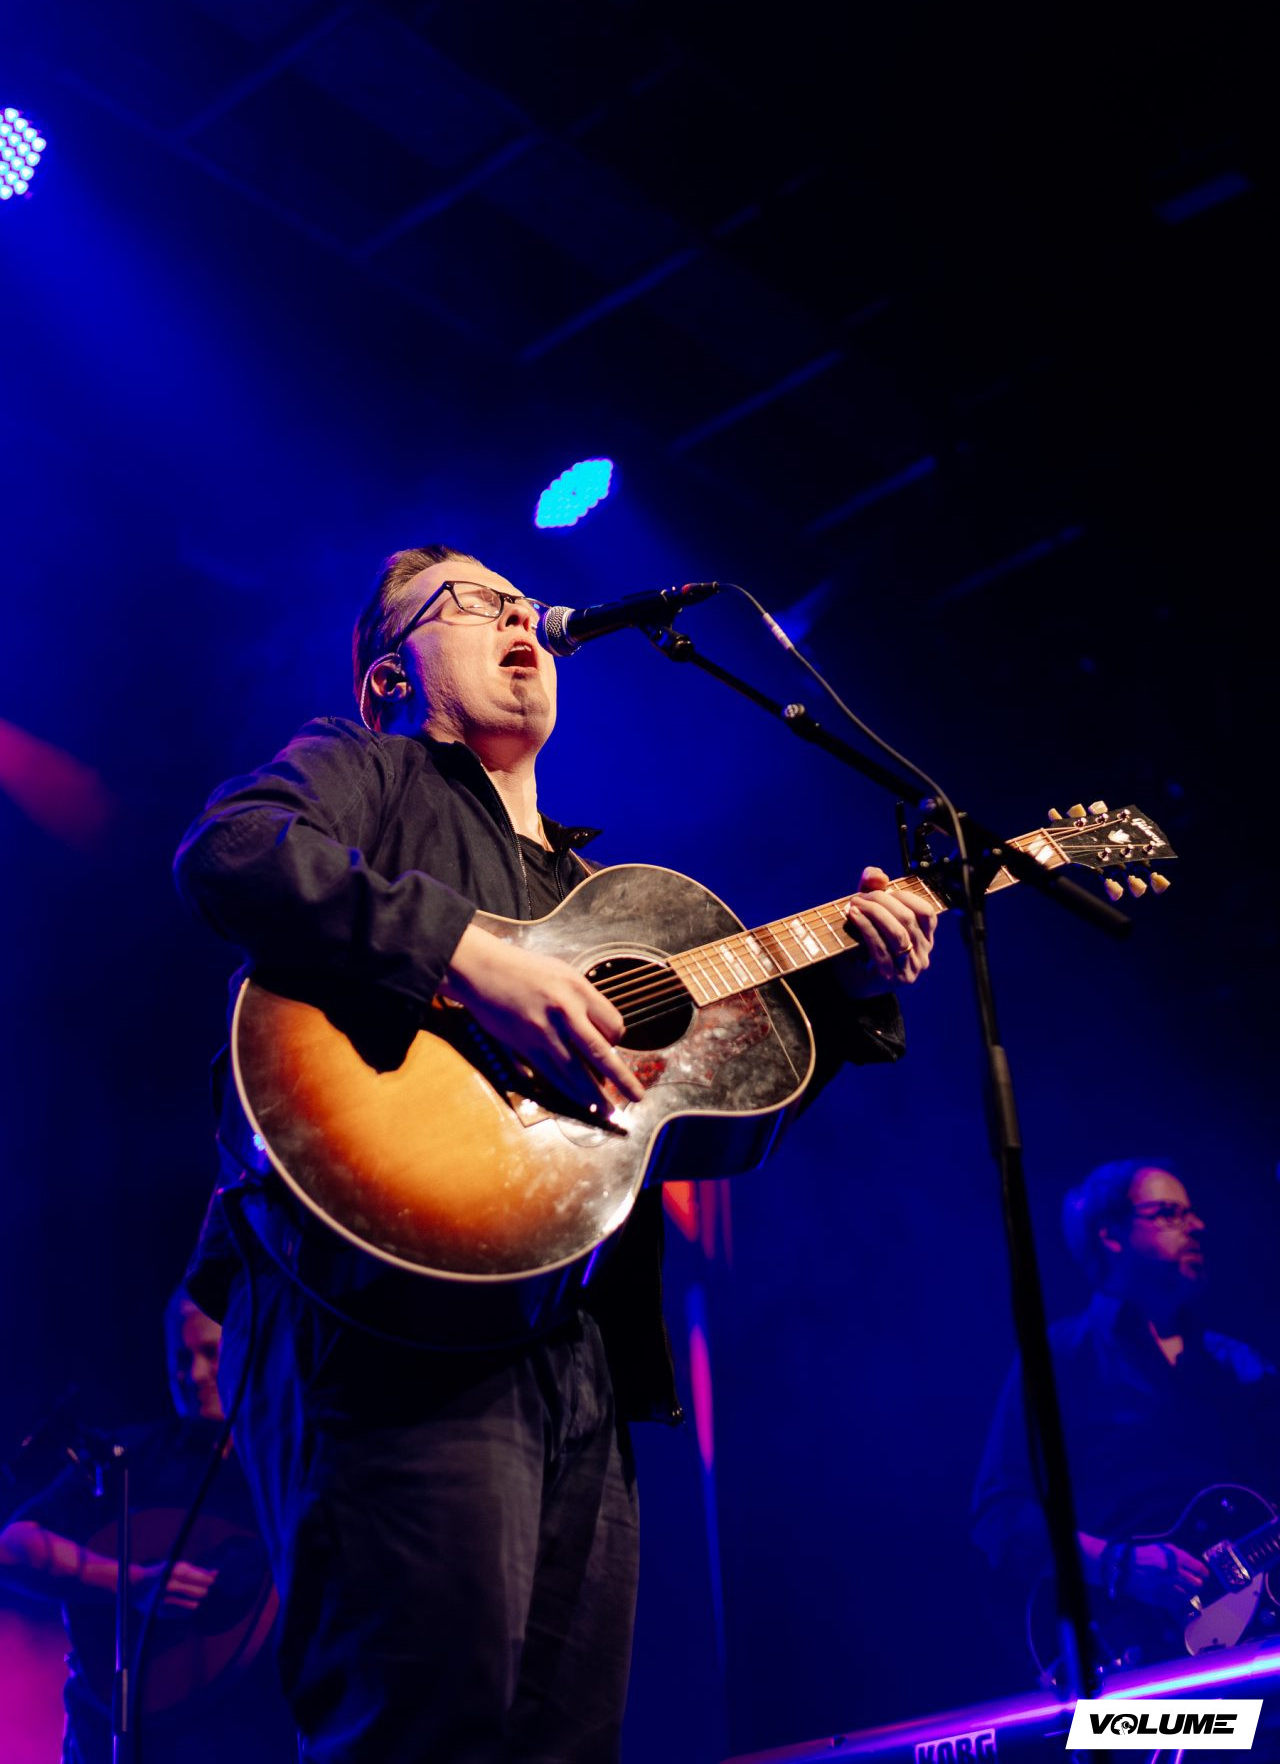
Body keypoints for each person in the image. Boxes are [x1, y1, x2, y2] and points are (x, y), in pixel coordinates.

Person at [171, 541, 938, 1763]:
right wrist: (467, 957)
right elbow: (232, 849)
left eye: (523, 603)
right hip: (384, 1325)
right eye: (474, 604)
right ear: (387, 677)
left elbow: (701, 1128)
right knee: (422, 1730)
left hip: (570, 1342)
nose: (519, 618)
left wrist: (844, 992)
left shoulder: (600, 897)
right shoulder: (368, 768)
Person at [971, 1158, 1280, 1677]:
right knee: (1192, 1732)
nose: (1197, 1225)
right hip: (1122, 1660)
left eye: (1192, 1212)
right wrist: (1119, 1566)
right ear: (1111, 1235)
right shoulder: (1061, 1357)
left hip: (1250, 1650)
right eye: (1169, 1213)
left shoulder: (1237, 1366)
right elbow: (999, 1518)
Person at [0, 1289, 294, 1764]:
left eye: (210, 1353)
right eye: (180, 1358)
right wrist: (133, 1584)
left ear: (250, 1351)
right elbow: (14, 1548)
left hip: (254, 1738)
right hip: (124, 1741)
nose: (194, 1375)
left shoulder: (287, 1465)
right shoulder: (127, 1459)